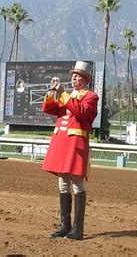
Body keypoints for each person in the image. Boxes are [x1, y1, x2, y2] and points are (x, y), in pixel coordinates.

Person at [41, 61, 99, 240]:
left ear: (85, 80)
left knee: (77, 183)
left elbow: (80, 111)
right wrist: (51, 93)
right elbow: (49, 109)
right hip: (62, 141)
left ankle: (78, 229)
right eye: (73, 76)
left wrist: (63, 95)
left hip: (76, 143)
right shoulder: (67, 95)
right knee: (63, 182)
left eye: (78, 76)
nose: (74, 78)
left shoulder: (91, 96)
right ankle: (64, 226)